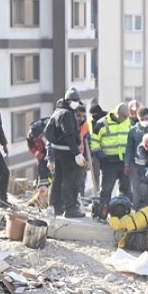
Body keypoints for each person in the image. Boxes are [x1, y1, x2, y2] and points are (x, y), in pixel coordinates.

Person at [45, 88, 86, 217]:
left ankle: (55, 207)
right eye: (74, 101)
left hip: (57, 151)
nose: (76, 103)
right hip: (67, 152)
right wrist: (77, 154)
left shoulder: (58, 111)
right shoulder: (67, 114)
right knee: (70, 180)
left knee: (58, 179)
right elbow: (69, 136)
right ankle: (70, 209)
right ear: (69, 101)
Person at [90, 103, 131, 219]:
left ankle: (123, 214)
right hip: (109, 163)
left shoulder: (128, 122)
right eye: (123, 116)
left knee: (126, 189)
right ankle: (102, 214)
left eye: (127, 116)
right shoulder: (102, 123)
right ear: (117, 114)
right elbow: (94, 142)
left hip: (124, 162)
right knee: (106, 190)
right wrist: (101, 156)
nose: (125, 119)